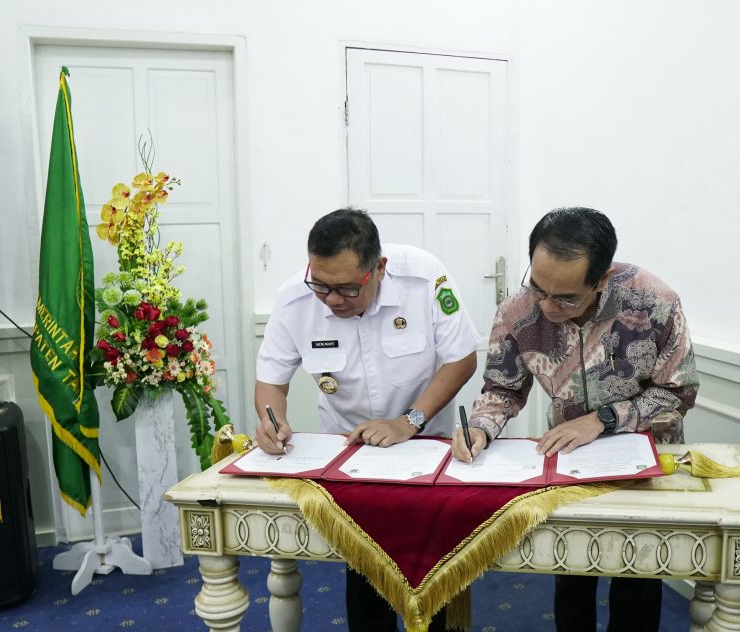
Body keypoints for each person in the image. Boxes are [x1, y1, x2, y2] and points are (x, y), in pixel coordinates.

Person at [452, 207, 698, 632]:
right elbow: (503, 389)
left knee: (638, 573)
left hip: (644, 454)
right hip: (568, 457)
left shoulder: (654, 301)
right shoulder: (517, 313)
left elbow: (678, 392)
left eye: (566, 297)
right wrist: (481, 427)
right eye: (538, 287)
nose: (547, 306)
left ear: (601, 279)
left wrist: (602, 419)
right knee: (572, 565)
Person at [254, 208, 478, 632]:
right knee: (365, 568)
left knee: (434, 570)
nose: (332, 299)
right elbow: (270, 381)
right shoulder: (294, 299)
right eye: (321, 286)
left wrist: (407, 422)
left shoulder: (423, 277)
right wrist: (272, 421)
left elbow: (461, 358)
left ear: (379, 268)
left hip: (426, 446)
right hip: (351, 456)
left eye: (345, 289)